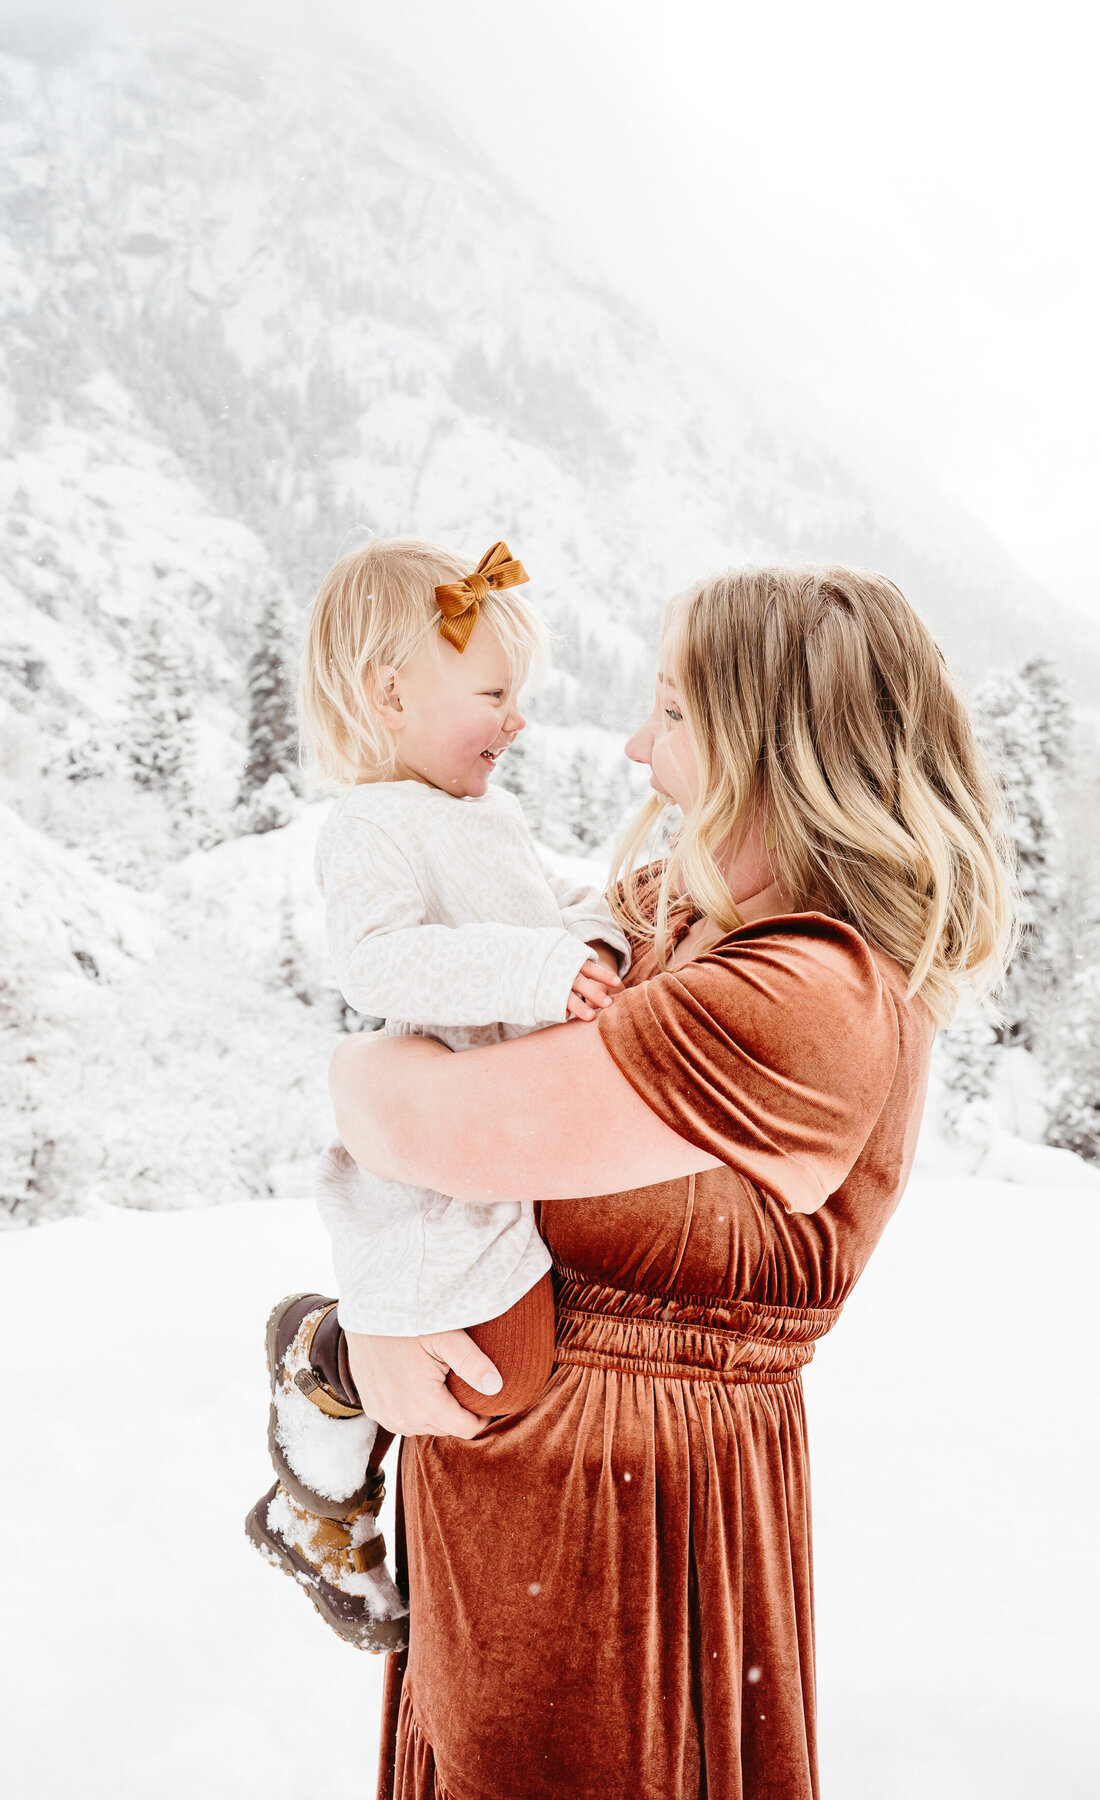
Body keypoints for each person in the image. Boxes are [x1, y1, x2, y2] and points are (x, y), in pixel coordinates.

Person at [335, 563, 1017, 1800]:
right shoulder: (669, 919)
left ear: (784, 744)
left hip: (638, 1536)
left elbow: (436, 1121)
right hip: (516, 1510)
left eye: (677, 712)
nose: (642, 747)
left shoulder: (817, 996)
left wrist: (358, 1077)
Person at [244, 537, 629, 1653]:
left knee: (495, 1370)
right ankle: (318, 1358)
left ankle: (332, 1493)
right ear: (391, 694)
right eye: (496, 694)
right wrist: (535, 968)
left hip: (490, 1137)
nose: (517, 721)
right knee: (491, 1377)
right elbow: (376, 962)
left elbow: (548, 901)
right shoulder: (371, 824)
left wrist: (598, 925)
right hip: (428, 1168)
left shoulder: (479, 817)